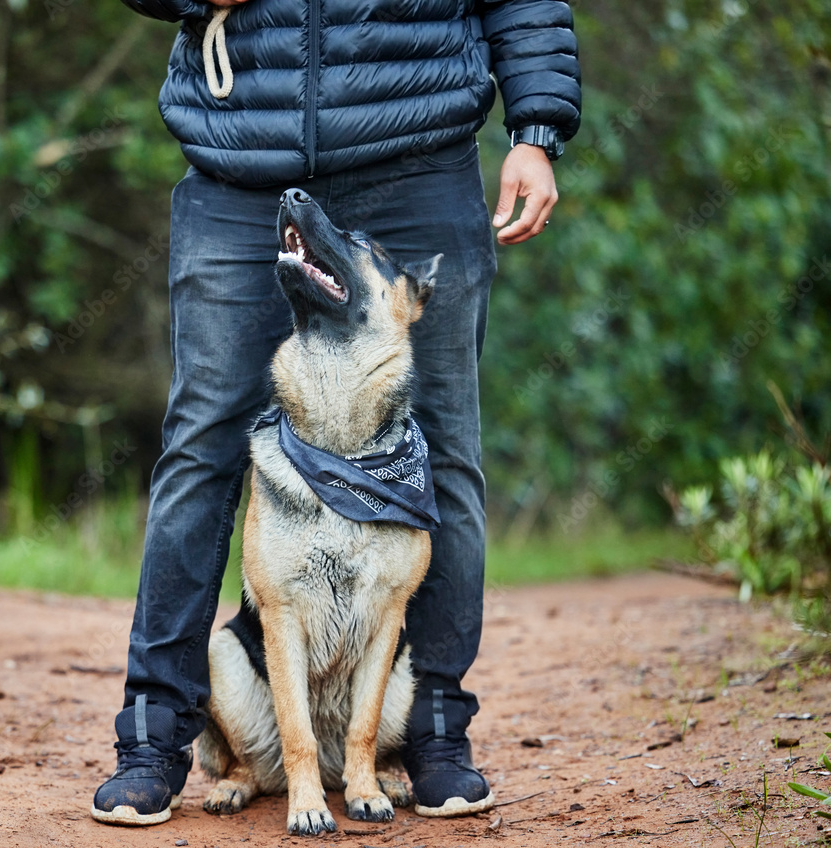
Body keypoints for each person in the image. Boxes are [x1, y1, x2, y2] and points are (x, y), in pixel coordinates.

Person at [91, 0, 581, 826]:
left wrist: (535, 127)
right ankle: (153, 739)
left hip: (418, 162)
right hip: (239, 163)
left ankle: (430, 736)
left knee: (445, 454)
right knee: (199, 451)